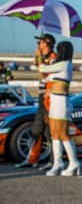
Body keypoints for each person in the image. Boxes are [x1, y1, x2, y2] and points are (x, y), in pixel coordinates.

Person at [15, 34, 57, 169]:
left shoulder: (53, 58)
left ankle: (54, 161)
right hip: (41, 97)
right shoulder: (44, 57)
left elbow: (44, 73)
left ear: (47, 43)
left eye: (40, 41)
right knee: (36, 129)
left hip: (49, 98)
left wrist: (39, 57)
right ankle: (32, 158)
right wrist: (38, 56)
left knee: (50, 131)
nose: (38, 44)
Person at [39, 41, 80, 176]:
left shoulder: (65, 64)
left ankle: (74, 162)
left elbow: (42, 69)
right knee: (54, 133)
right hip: (55, 100)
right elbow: (44, 77)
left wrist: (39, 56)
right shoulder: (59, 66)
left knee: (63, 133)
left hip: (62, 101)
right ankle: (58, 163)